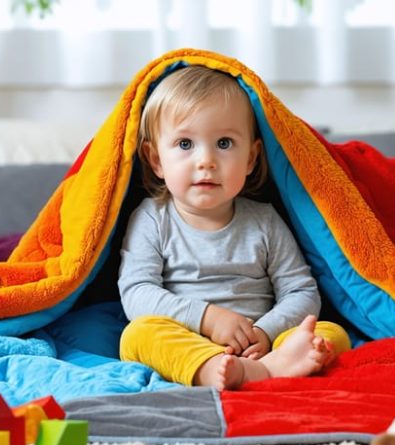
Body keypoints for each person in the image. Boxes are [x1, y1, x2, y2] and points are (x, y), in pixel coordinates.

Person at [118, 65, 350, 390]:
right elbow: (137, 293)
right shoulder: (152, 218)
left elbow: (300, 291)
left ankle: (264, 367)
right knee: (137, 335)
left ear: (252, 158)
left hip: (261, 343)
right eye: (185, 144)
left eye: (224, 143)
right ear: (156, 160)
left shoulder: (264, 220)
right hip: (190, 338)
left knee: (329, 333)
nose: (207, 160)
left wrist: (265, 333)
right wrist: (208, 318)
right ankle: (213, 367)